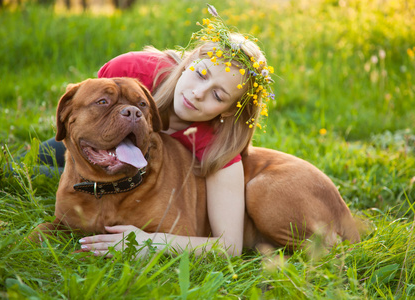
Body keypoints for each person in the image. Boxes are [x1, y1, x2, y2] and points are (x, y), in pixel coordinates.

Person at [40, 5, 274, 257]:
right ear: (188, 63)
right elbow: (87, 103)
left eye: (217, 95)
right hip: (103, 138)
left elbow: (228, 247)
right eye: (201, 74)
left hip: (137, 151)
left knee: (52, 167)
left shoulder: (215, 145)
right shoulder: (132, 69)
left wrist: (151, 242)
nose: (198, 93)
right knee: (42, 156)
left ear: (228, 111)